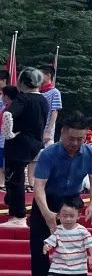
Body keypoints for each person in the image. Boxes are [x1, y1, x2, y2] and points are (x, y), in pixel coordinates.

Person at [26, 116, 92, 276]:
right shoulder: (49, 153)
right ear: (62, 133)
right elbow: (39, 186)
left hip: (71, 202)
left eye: (80, 139)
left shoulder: (90, 153)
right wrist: (46, 213)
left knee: (69, 249)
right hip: (46, 199)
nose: (75, 143)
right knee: (39, 249)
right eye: (71, 138)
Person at [2, 68, 50, 228]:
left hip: (20, 141)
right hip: (36, 141)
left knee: (14, 177)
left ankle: (19, 215)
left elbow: (8, 115)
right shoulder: (43, 100)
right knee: (19, 176)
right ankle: (14, 208)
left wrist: (8, 134)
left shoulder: (23, 98)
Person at [38, 63, 62, 146]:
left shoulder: (55, 92)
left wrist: (48, 131)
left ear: (48, 75)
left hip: (46, 130)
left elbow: (54, 112)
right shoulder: (37, 91)